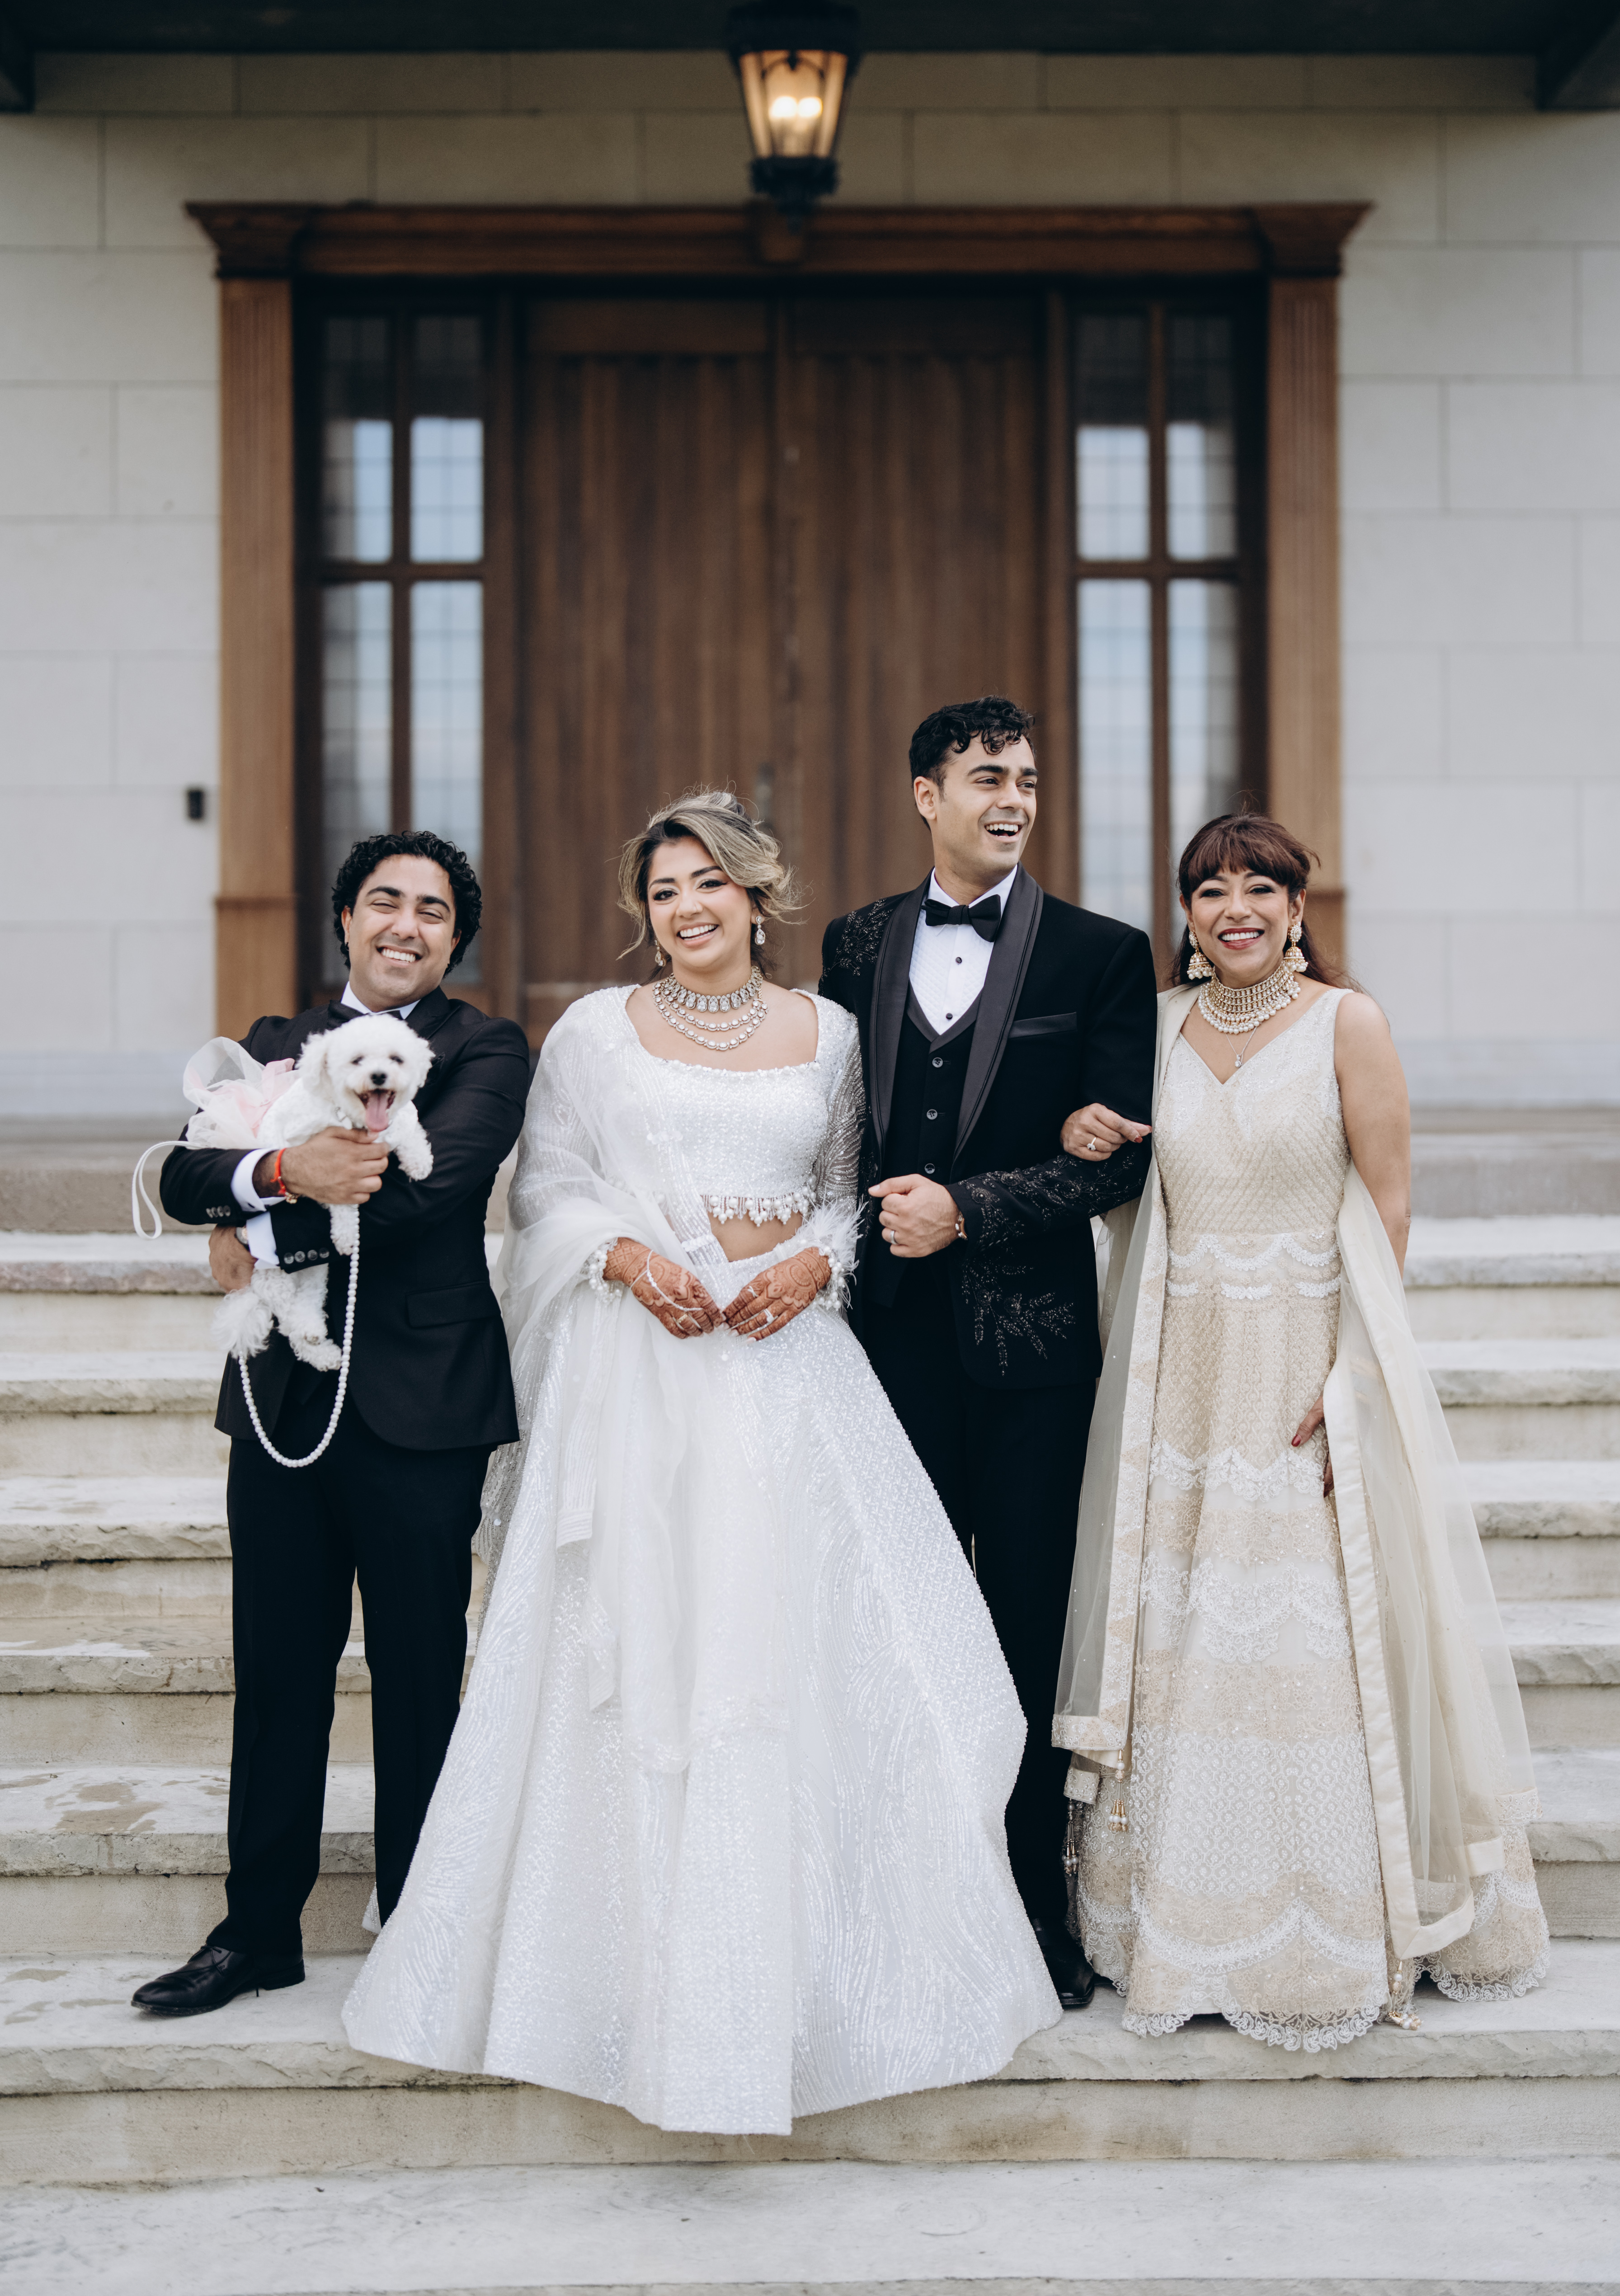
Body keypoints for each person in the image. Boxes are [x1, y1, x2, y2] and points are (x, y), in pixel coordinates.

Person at [342, 792, 1059, 2136]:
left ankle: (799, 1986)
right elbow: (544, 1192)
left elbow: (844, 1191)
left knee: (800, 1648)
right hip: (642, 1368)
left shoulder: (831, 1033)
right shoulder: (592, 1035)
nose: (685, 909)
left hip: (787, 1369)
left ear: (755, 895)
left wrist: (814, 1264)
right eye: (663, 891)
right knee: (641, 1647)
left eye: (707, 885)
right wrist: (627, 1258)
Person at [1055, 812, 1549, 2047]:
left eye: (1259, 889)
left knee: (1306, 1628)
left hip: (1302, 1357)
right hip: (1184, 1368)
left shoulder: (1348, 1023)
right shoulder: (1155, 1026)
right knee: (1184, 1627)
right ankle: (1178, 1917)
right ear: (1186, 913)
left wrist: (1356, 1376)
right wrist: (1078, 1135)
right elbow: (1115, 1168)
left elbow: (1389, 1205)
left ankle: (1327, 1925)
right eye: (1211, 890)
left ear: (1295, 906)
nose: (1236, 909)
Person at [132, 833, 531, 2018]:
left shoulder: (487, 1050)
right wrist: (270, 1174)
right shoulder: (274, 1042)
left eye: (433, 911)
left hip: (424, 1402)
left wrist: (256, 1227)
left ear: (455, 940)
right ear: (347, 919)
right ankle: (257, 1933)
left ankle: (423, 1929)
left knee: (418, 1678)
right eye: (384, 901)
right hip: (282, 1403)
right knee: (278, 1673)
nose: (407, 924)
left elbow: (423, 1195)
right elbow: (183, 1177)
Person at [818, 699, 1158, 2010]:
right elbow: (829, 1124)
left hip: (1033, 1353)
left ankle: (1033, 1906)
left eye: (1026, 779)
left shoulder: (1101, 953)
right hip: (882, 1346)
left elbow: (1121, 1158)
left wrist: (971, 1207)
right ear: (927, 795)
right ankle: (903, 1898)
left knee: (1023, 1624)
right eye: (984, 777)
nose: (1012, 798)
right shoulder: (857, 942)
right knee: (897, 1625)